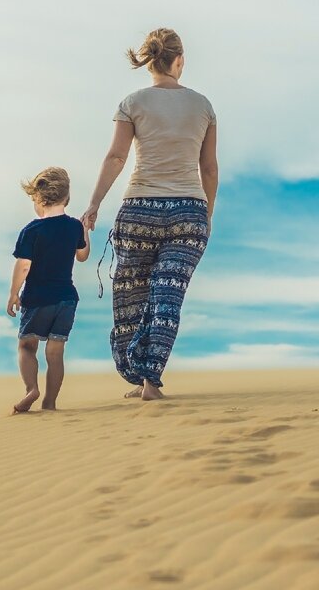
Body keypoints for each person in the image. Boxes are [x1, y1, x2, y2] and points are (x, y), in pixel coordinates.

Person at [81, 27, 217, 401]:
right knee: (167, 296)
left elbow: (116, 157)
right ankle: (150, 380)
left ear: (149, 62)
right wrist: (207, 212)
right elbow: (209, 169)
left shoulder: (132, 101)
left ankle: (138, 373)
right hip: (188, 212)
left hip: (139, 210)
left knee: (132, 294)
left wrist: (93, 205)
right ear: (179, 61)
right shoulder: (202, 105)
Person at [7, 167, 90, 414]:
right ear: (66, 198)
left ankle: (31, 389)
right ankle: (50, 403)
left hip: (38, 298)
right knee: (55, 352)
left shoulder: (32, 230)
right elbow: (83, 256)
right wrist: (85, 230)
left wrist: (14, 293)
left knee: (26, 346)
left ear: (40, 199)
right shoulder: (74, 227)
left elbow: (23, 266)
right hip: (66, 299)